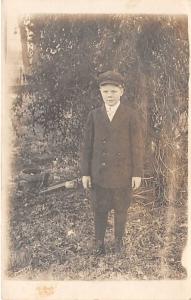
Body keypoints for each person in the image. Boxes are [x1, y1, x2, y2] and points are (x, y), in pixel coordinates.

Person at [80, 70, 143, 255]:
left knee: (121, 208)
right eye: (105, 91)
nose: (109, 95)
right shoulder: (94, 115)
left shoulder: (131, 115)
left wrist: (137, 173)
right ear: (100, 92)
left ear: (121, 91)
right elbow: (87, 147)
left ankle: (119, 243)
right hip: (99, 174)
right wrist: (85, 172)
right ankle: (99, 243)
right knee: (100, 209)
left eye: (113, 91)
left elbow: (137, 147)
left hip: (123, 173)